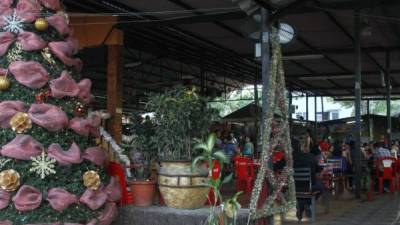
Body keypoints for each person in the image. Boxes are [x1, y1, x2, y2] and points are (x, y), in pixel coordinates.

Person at [292, 138, 324, 221]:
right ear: (301, 147)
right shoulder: (310, 156)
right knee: (320, 187)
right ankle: (306, 203)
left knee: (301, 189)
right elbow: (318, 169)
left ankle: (301, 205)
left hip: (294, 187)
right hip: (309, 186)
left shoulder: (288, 159)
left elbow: (277, 167)